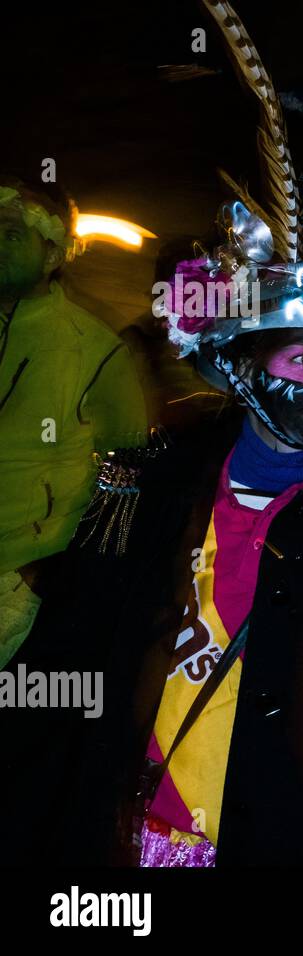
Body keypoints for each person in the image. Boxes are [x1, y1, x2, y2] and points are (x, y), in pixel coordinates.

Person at [0, 204, 303, 865]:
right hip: (122, 838)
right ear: (242, 368)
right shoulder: (150, 487)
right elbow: (69, 658)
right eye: (301, 356)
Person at [0, 176, 146, 667]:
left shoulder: (97, 350)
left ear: (52, 255)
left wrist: (52, 575)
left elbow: (127, 477)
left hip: (18, 592)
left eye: (12, 235)